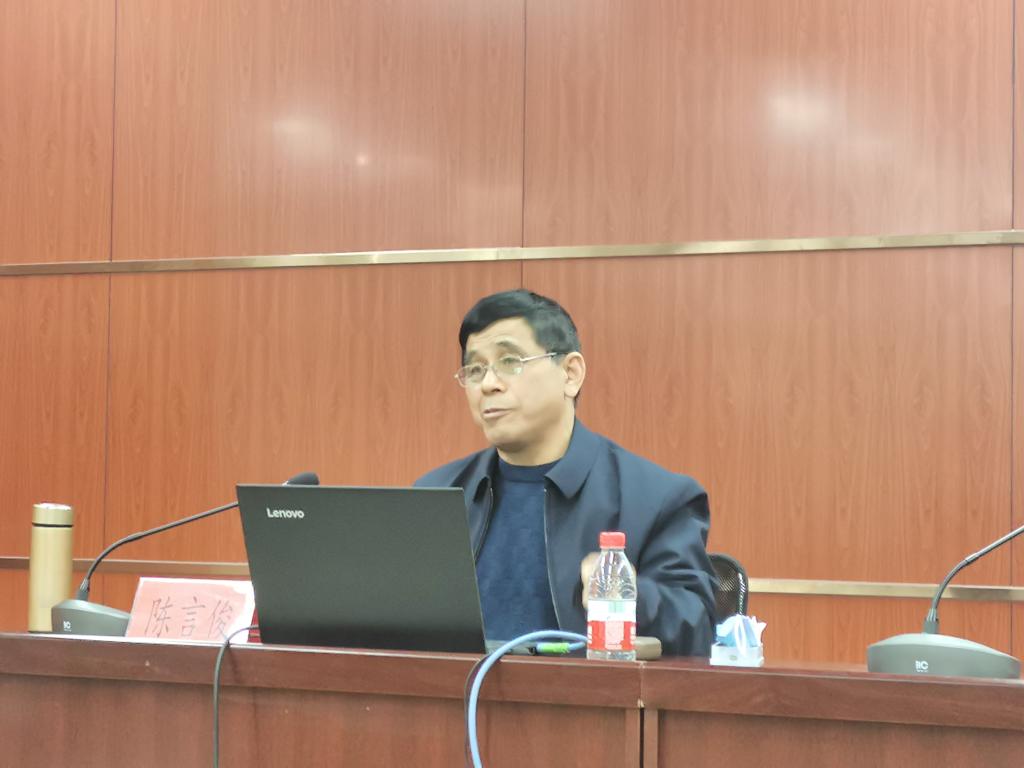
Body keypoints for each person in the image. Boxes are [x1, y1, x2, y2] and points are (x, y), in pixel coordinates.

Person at [415, 289, 715, 656]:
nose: (488, 384)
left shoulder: (655, 498)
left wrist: (630, 597)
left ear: (570, 374)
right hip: (456, 691)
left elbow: (698, 630)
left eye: (510, 361)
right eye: (475, 369)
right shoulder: (436, 494)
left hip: (586, 692)